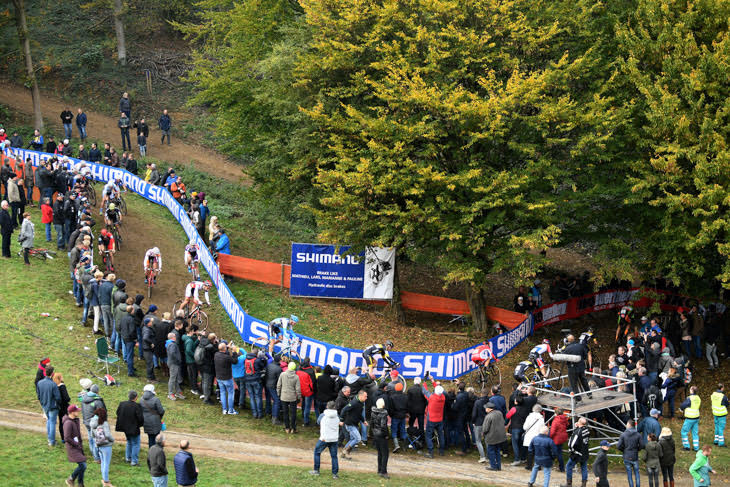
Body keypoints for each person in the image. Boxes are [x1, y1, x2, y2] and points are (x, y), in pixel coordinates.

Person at [310, 400, 339, 479]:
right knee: (334, 456)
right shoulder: (337, 416)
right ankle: (335, 474)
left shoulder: (323, 415)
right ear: (334, 407)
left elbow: (318, 422)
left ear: (327, 406)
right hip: (334, 439)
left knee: (317, 452)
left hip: (324, 438)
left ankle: (316, 470)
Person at [115, 390, 144, 466]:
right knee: (136, 443)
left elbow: (117, 413)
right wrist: (139, 424)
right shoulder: (137, 406)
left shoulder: (122, 404)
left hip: (125, 427)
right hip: (134, 428)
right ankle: (134, 461)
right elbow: (140, 418)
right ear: (136, 397)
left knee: (129, 442)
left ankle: (128, 458)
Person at [89, 407, 115, 487]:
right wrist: (112, 440)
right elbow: (107, 435)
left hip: (99, 446)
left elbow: (92, 435)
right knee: (106, 463)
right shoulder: (104, 423)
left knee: (103, 463)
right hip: (106, 446)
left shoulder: (92, 422)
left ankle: (104, 479)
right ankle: (106, 481)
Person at [62, 404, 87, 487]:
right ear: (72, 412)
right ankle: (71, 478)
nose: (78, 412)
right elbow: (67, 438)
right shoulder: (68, 423)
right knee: (83, 465)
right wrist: (77, 444)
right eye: (77, 411)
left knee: (82, 465)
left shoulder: (74, 420)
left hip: (77, 446)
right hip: (73, 447)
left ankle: (81, 484)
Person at [36, 365, 61, 446]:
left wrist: (43, 403)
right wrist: (58, 404)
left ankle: (49, 439)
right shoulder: (53, 384)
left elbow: (38, 396)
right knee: (52, 422)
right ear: (52, 373)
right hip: (53, 406)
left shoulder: (39, 383)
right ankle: (52, 441)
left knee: (49, 421)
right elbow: (58, 397)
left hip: (45, 405)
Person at [339, 389, 368, 458]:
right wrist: (341, 420)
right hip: (349, 424)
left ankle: (343, 453)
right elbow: (344, 410)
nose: (366, 398)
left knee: (352, 439)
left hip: (355, 424)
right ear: (360, 396)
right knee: (358, 438)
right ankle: (346, 452)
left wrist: (363, 421)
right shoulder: (354, 403)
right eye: (365, 396)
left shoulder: (361, 403)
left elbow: (359, 414)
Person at [563, 416, 590, 487]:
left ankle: (569, 484)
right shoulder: (587, 430)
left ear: (579, 423)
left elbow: (572, 443)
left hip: (577, 453)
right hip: (584, 452)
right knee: (584, 467)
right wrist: (577, 427)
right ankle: (584, 484)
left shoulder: (578, 432)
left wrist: (571, 450)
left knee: (568, 466)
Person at [214, 341, 240, 415]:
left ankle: (224, 409)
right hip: (227, 378)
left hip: (219, 377)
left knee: (222, 393)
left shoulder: (216, 354)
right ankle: (231, 410)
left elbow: (222, 350)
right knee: (231, 393)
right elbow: (235, 361)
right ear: (225, 349)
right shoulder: (227, 357)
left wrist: (227, 347)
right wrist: (234, 352)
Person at [618, 418, 644, 487]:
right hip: (635, 456)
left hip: (626, 456)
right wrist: (637, 449)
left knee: (629, 474)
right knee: (637, 474)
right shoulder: (638, 435)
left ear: (629, 425)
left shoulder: (623, 435)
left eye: (627, 424)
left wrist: (624, 450)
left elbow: (618, 446)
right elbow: (642, 445)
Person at [563, 334, 591, 399]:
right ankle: (589, 394)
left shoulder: (567, 348)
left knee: (573, 384)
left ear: (568, 340)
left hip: (572, 368)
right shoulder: (580, 346)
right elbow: (585, 356)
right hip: (581, 367)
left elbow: (564, 358)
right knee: (584, 381)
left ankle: (578, 397)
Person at [482, 401, 506, 471]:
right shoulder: (499, 413)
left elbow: (485, 428)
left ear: (489, 409)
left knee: (491, 451)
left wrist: (483, 433)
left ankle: (493, 466)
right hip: (500, 436)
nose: (485, 409)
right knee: (497, 451)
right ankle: (498, 466)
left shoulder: (488, 416)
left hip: (492, 437)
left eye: (486, 408)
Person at [680, 385, 701, 451]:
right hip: (696, 417)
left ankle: (686, 446)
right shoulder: (698, 398)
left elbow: (683, 405)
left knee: (684, 432)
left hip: (689, 418)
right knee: (695, 433)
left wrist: (681, 408)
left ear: (692, 390)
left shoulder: (689, 398)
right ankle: (696, 448)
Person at [53, 372, 71, 442]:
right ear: (59, 378)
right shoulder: (62, 386)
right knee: (67, 422)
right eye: (62, 377)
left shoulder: (54, 386)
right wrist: (69, 399)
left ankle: (63, 438)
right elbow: (66, 398)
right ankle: (67, 437)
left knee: (61, 422)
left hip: (58, 407)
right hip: (64, 406)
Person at [166, 332, 185, 401]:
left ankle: (178, 392)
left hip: (173, 363)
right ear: (173, 337)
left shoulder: (169, 343)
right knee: (172, 379)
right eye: (175, 336)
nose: (176, 337)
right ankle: (170, 394)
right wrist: (178, 360)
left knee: (176, 378)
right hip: (174, 363)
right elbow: (172, 353)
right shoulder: (172, 345)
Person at [550, 407, 569, 473]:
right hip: (562, 437)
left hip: (556, 438)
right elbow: (567, 424)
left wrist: (550, 437)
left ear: (556, 413)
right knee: (559, 453)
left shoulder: (555, 420)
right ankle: (562, 468)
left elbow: (552, 431)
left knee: (555, 453)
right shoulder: (564, 418)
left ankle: (549, 464)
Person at [711, 383, 728, 447]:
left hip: (715, 413)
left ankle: (716, 440)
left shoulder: (713, 394)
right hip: (721, 414)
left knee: (717, 427)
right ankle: (721, 443)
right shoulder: (723, 396)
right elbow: (726, 404)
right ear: (722, 388)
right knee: (721, 428)